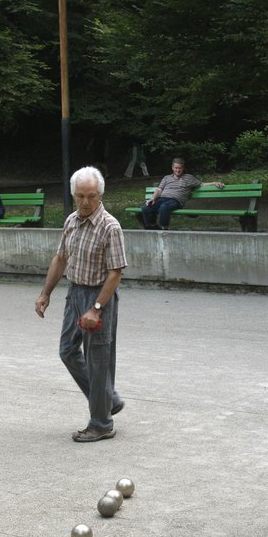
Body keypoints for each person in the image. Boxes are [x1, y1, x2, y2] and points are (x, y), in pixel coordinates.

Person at [35, 166, 127, 442]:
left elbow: (116, 273)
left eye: (91, 196)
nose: (85, 202)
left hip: (99, 297)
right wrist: (45, 293)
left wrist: (96, 308)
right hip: (75, 292)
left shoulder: (110, 227)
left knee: (98, 361)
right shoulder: (72, 221)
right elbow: (61, 258)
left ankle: (101, 423)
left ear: (100, 195)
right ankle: (107, 398)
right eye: (80, 196)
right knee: (67, 351)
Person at [140, 158, 224, 230]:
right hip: (162, 199)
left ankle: (164, 229)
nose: (178, 170)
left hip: (176, 201)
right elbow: (159, 190)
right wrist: (153, 199)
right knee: (146, 207)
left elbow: (201, 184)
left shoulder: (188, 178)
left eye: (180, 168)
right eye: (176, 168)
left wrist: (214, 183)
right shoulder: (167, 178)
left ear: (183, 168)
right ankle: (152, 228)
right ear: (172, 168)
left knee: (164, 207)